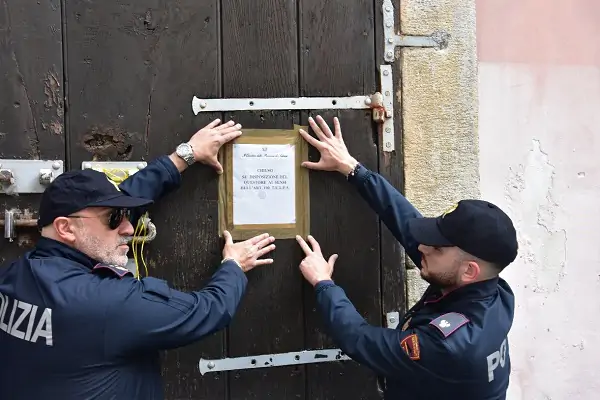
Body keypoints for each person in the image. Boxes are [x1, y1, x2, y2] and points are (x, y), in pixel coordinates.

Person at [0, 119, 276, 400]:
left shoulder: (14, 277)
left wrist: (185, 156)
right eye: (114, 219)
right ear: (66, 228)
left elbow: (123, 201)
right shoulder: (106, 303)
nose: (129, 228)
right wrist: (234, 265)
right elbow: (209, 310)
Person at [295, 116, 518, 399]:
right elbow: (408, 223)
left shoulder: (448, 344)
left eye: (436, 248)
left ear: (469, 271)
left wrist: (323, 283)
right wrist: (353, 169)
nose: (422, 248)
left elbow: (358, 339)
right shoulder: (490, 290)